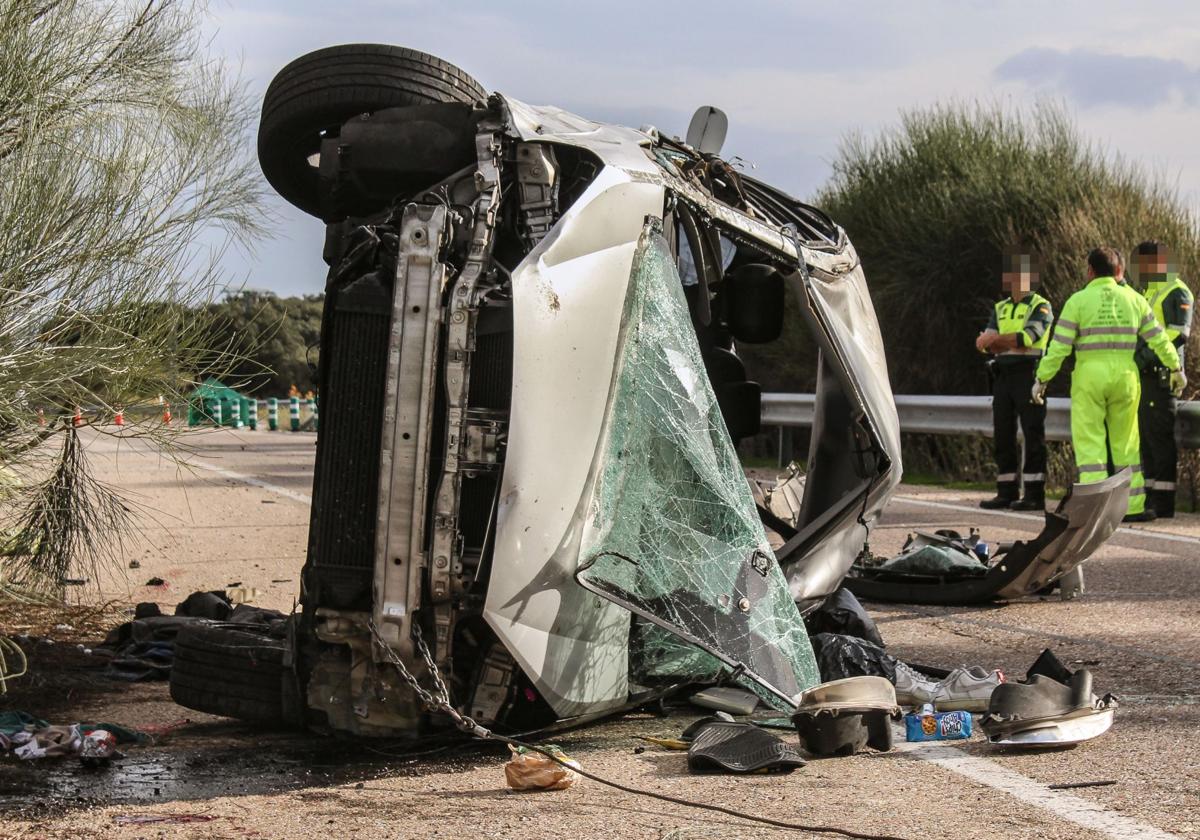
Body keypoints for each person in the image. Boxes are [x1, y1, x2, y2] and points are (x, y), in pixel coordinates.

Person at [1034, 247, 1185, 522]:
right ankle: (1134, 506)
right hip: (1126, 376)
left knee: (1091, 444)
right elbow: (1159, 339)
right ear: (1120, 271)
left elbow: (1059, 348)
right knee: (1127, 443)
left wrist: (1042, 379)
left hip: (1090, 377)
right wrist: (1176, 367)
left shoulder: (1078, 301)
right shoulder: (1135, 299)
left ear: (1090, 271)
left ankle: (1094, 510)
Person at [975, 251, 1053, 509]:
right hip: (1003, 376)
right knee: (1003, 434)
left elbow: (1027, 338)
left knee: (1032, 433)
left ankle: (1033, 494)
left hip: (1029, 374)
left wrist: (997, 341)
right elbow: (983, 345)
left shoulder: (1040, 306)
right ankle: (1006, 491)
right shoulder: (1001, 307)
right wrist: (999, 342)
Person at [1133, 241, 1193, 518]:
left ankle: (1163, 502)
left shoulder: (1177, 290)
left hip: (1161, 376)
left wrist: (1143, 356)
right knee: (1146, 439)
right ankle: (1149, 499)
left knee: (1159, 439)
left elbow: (1177, 333)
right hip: (1144, 376)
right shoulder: (1148, 293)